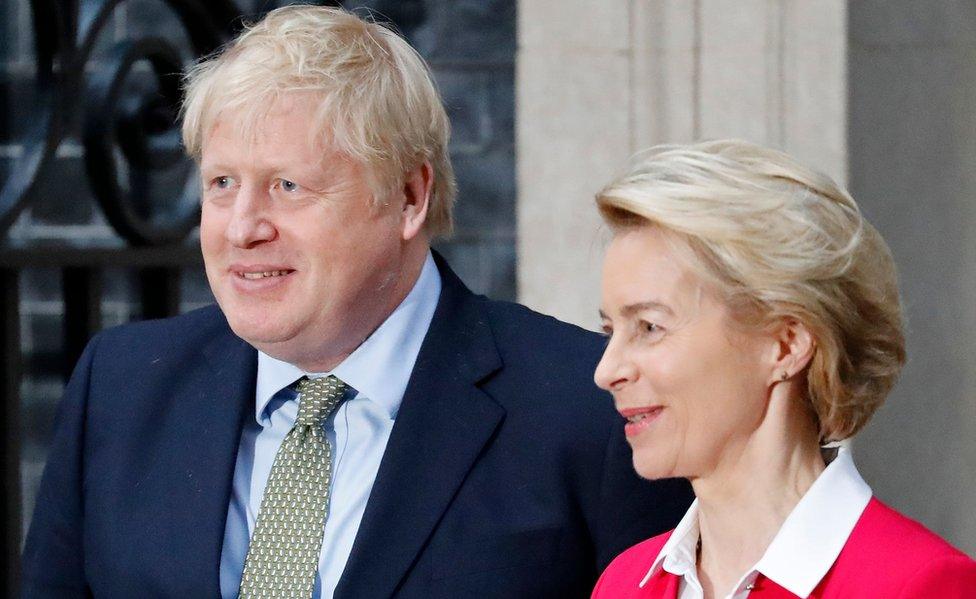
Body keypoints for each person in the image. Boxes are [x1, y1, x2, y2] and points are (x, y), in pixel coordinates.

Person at [20, 6, 691, 599]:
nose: (243, 226)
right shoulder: (122, 384)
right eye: (223, 182)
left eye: (288, 185)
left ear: (408, 197)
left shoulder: (589, 408)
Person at [590, 140, 976, 598]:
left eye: (650, 326)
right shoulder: (623, 584)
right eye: (609, 330)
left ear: (785, 343)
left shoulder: (920, 583)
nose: (606, 370)